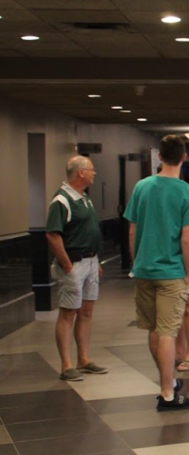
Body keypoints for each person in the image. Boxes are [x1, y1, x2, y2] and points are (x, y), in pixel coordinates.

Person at [123, 134, 189, 411]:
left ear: (159, 157)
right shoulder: (188, 193)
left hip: (144, 269)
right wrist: (187, 271)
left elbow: (132, 231)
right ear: (183, 158)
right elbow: (187, 240)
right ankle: (168, 393)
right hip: (170, 271)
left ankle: (165, 379)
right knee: (168, 332)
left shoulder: (142, 187)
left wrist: (137, 262)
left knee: (153, 329)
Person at [45, 155, 107, 381]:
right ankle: (66, 364)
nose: (94, 173)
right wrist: (67, 265)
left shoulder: (85, 198)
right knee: (68, 312)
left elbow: (88, 231)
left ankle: (84, 359)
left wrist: (96, 259)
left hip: (90, 261)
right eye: (91, 170)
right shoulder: (61, 201)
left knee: (87, 312)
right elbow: (53, 234)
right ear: (80, 173)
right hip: (74, 263)